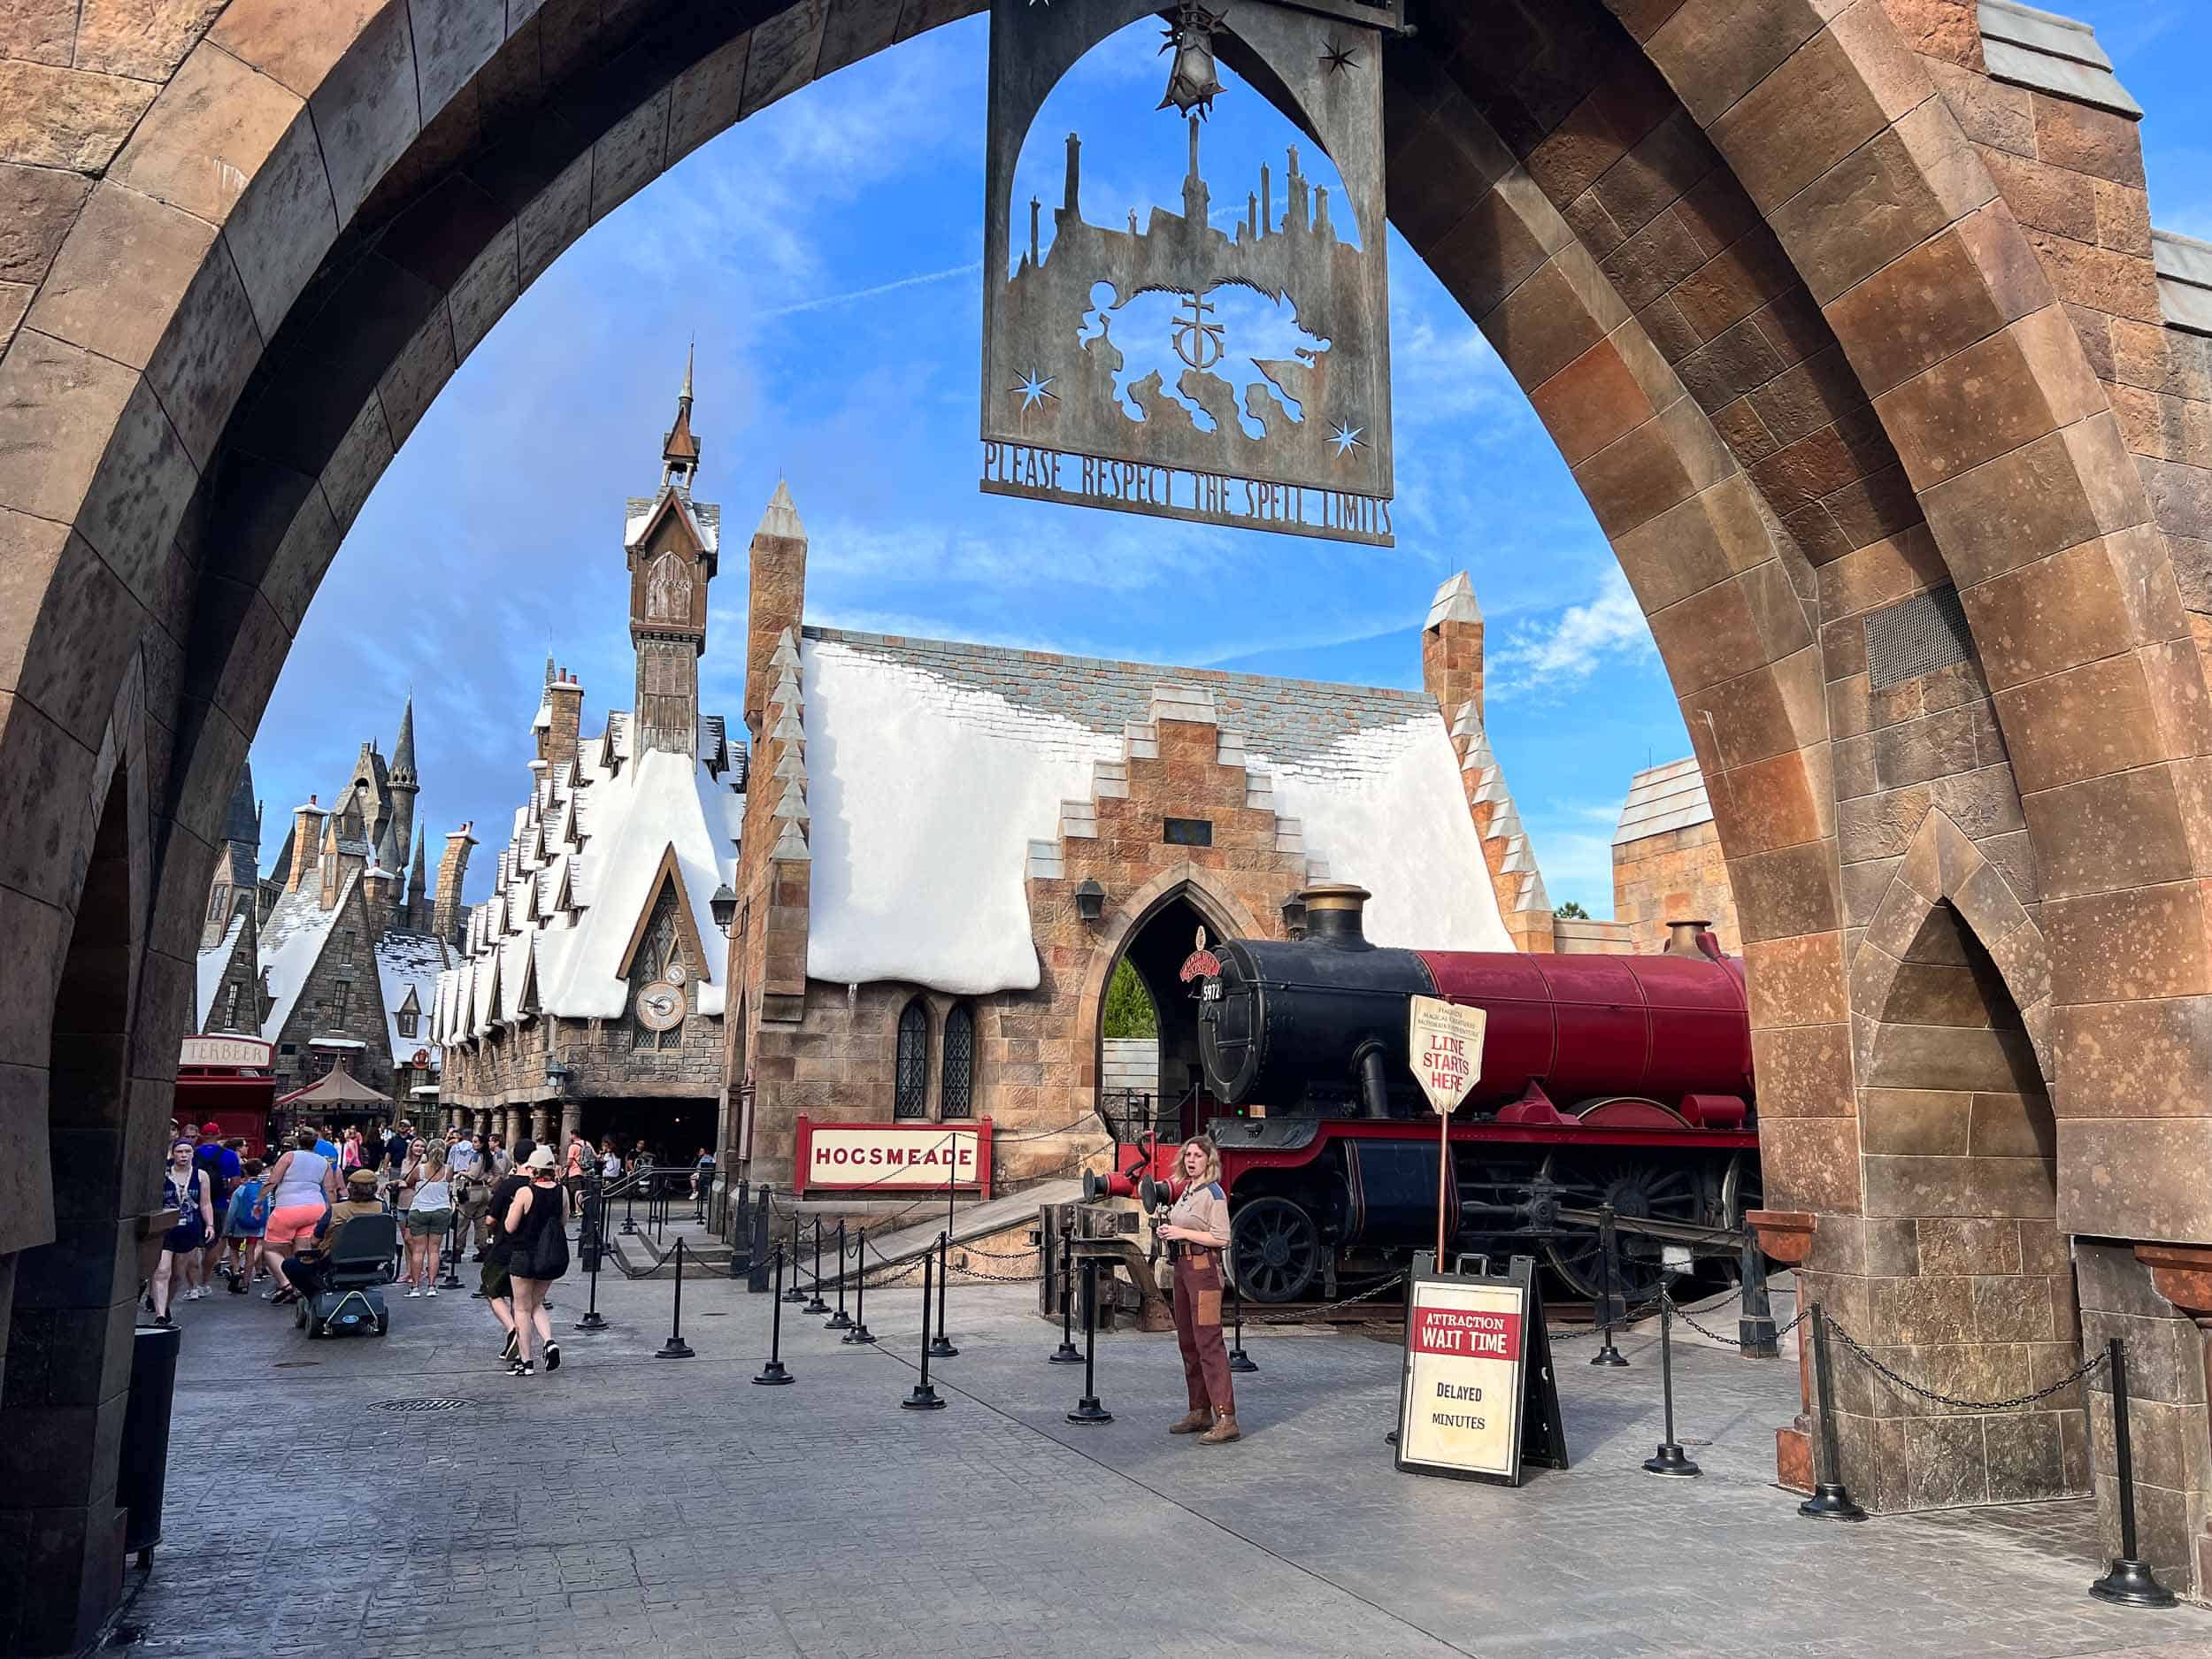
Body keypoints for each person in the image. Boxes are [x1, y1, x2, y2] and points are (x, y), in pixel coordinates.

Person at [1157, 1136, 1239, 1445]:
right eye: (1188, 1155)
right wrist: (1170, 1231)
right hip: (1183, 1268)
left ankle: (1226, 1418)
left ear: (1209, 1161)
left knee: (1209, 1343)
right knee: (1188, 1342)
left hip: (1203, 1271)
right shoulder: (1189, 1190)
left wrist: (1180, 1231)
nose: (1191, 1160)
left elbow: (1221, 1238)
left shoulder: (1213, 1194)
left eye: (1197, 1156)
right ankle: (1199, 1410)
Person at [502, 1148, 570, 1378]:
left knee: (521, 1308)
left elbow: (510, 1226)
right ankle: (549, 1341)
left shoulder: (525, 1192)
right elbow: (563, 1222)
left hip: (524, 1254)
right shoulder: (562, 1192)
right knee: (537, 1303)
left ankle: (526, 1361)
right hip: (548, 1255)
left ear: (533, 1169)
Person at [278, 1169, 386, 1302]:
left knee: (290, 1265)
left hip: (337, 1264)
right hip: (371, 1262)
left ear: (351, 1189)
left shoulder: (336, 1210)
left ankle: (315, 1296)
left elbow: (314, 1241)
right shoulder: (382, 1208)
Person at [259, 1127, 340, 1300]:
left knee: (271, 1249)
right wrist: (332, 1211)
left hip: (288, 1207)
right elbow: (330, 1189)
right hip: (315, 1208)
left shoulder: (289, 1157)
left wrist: (258, 1201)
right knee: (302, 1253)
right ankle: (299, 1288)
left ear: (298, 1142)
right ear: (315, 1143)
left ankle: (285, 1284)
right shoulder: (323, 1162)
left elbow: (273, 1180)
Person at [479, 1137, 536, 1364]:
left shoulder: (508, 1185)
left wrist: (491, 1227)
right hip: (531, 1248)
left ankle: (513, 1329)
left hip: (505, 1246)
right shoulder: (539, 1186)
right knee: (519, 1301)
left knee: (490, 1289)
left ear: (515, 1157)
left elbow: (491, 1219)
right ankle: (519, 1345)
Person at [150, 1139, 215, 1325]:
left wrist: (210, 1225)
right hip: (165, 1229)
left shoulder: (201, 1175)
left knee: (177, 1275)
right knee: (162, 1271)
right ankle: (160, 1315)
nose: (184, 1155)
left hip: (189, 1228)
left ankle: (166, 1305)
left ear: (193, 1154)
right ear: (173, 1154)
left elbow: (205, 1203)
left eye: (187, 1151)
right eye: (179, 1152)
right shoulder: (164, 1174)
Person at [403, 1145, 453, 1296]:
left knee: (418, 1250)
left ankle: (415, 1287)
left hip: (420, 1210)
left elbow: (409, 1183)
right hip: (441, 1210)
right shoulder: (448, 1170)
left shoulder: (420, 1169)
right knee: (434, 1250)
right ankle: (431, 1286)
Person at [219, 1157, 269, 1293]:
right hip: (256, 1226)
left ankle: (236, 1271)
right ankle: (245, 1283)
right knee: (250, 1253)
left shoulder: (240, 1190)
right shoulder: (264, 1189)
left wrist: (226, 1230)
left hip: (239, 1225)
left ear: (245, 1171)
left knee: (234, 1249)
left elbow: (232, 1211)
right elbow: (267, 1209)